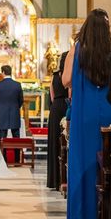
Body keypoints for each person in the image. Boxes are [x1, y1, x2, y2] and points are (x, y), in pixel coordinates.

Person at [62, 8, 111, 219]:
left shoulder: (77, 50)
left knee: (84, 165)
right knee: (109, 162)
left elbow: (66, 80)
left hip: (84, 114)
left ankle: (83, 213)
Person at [46, 52, 69, 189]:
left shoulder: (54, 76)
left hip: (56, 108)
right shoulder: (70, 76)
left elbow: (52, 96)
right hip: (67, 106)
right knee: (66, 143)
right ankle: (64, 179)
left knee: (55, 142)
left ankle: (53, 180)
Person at [0, 65, 24, 162]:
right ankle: (16, 160)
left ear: (3, 72)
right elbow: (21, 100)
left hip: (2, 113)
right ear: (11, 72)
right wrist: (15, 108)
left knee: (3, 137)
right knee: (16, 137)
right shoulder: (17, 85)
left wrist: (2, 109)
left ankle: (4, 159)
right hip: (15, 113)